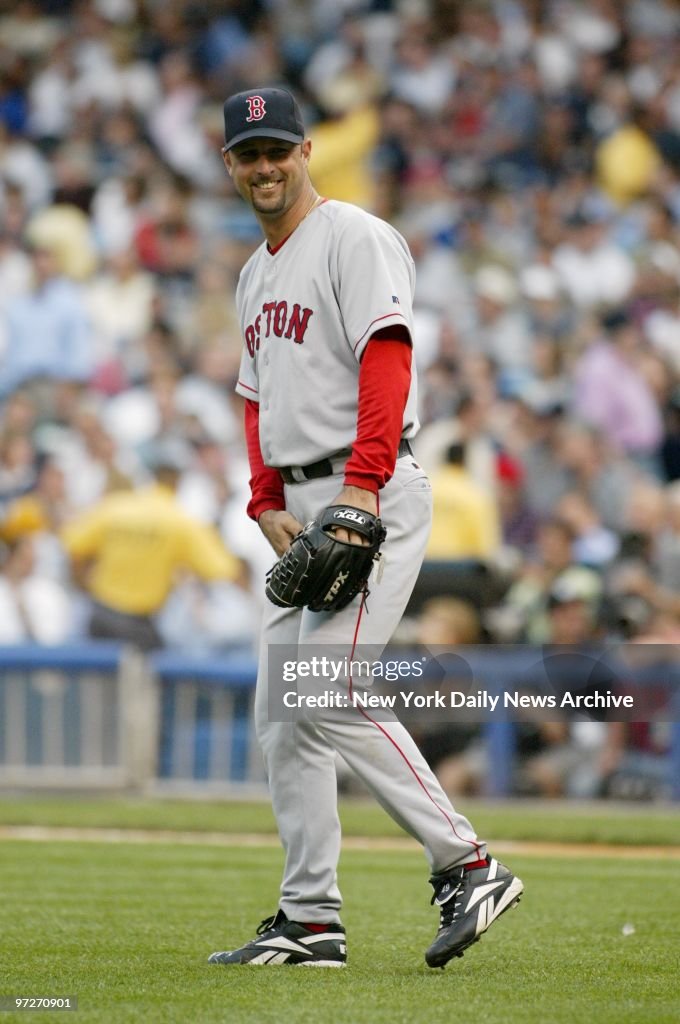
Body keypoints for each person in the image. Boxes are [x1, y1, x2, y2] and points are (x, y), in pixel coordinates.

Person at [208, 87, 523, 970]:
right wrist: (263, 498)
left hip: (370, 488)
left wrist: (361, 491)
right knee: (283, 717)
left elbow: (387, 358)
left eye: (277, 149)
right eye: (248, 154)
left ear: (307, 150)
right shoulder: (254, 272)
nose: (264, 166)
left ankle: (470, 862)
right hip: (304, 504)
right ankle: (311, 921)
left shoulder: (353, 235)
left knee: (326, 689)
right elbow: (255, 395)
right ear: (228, 163)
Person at [61, 442, 238, 651]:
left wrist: (85, 584)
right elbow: (223, 569)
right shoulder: (180, 521)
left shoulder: (116, 507)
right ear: (178, 481)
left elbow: (71, 542)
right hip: (140, 626)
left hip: (100, 616)